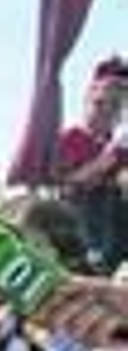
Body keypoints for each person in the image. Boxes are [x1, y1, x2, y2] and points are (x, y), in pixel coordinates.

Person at [56, 57, 128, 270]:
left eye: (116, 105)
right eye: (100, 103)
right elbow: (68, 183)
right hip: (83, 229)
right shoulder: (70, 138)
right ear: (88, 99)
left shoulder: (120, 147)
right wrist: (107, 160)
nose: (107, 111)